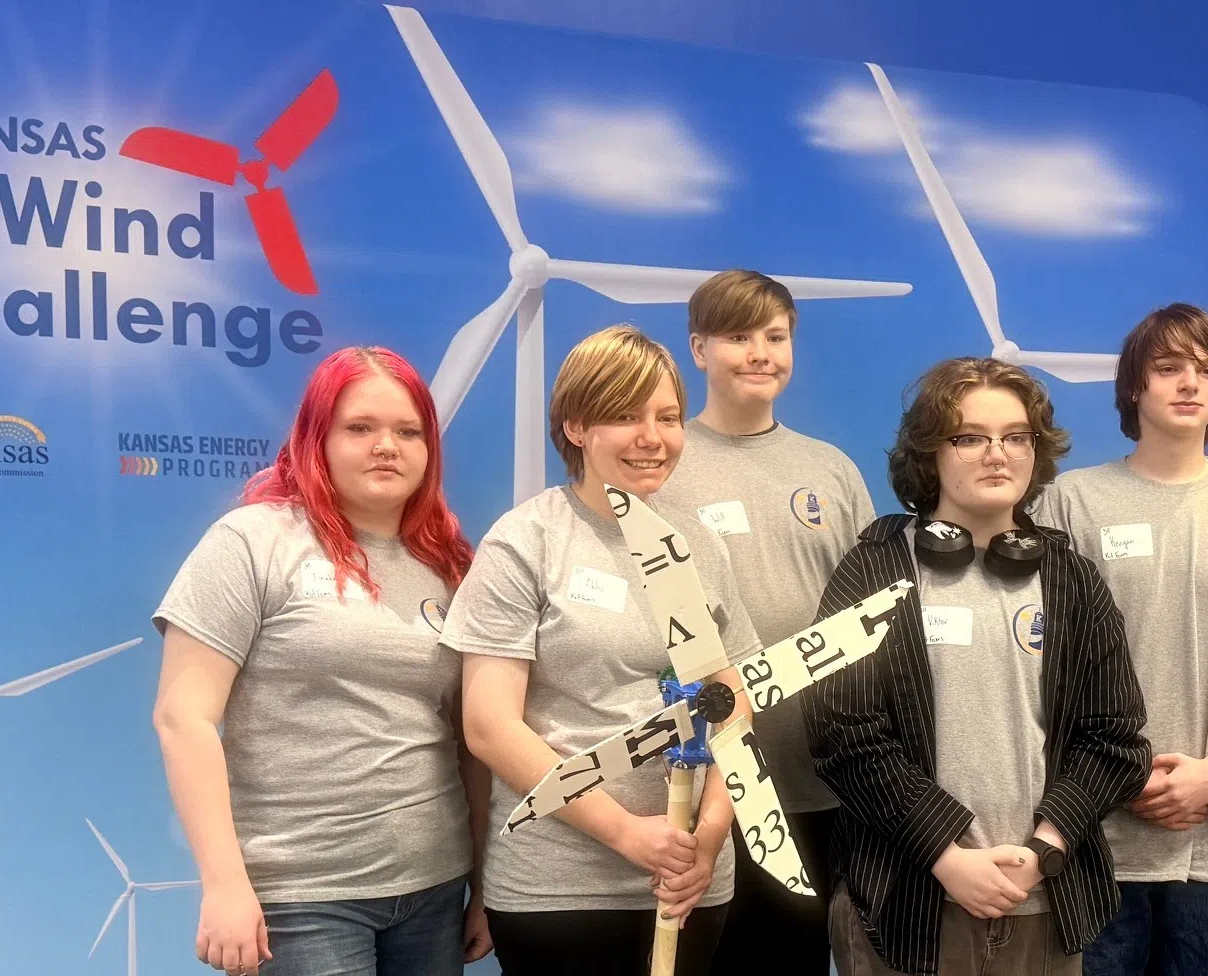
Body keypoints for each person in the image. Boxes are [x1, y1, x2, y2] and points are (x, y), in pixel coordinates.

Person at [803, 356, 1151, 976]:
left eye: (1016, 437)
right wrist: (946, 855)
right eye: (970, 437)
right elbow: (843, 735)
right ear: (929, 453)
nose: (998, 454)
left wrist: (1045, 849)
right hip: (904, 907)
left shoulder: (1073, 579)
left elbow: (1115, 739)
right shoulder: (874, 569)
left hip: (1045, 902)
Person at [150, 346, 492, 976]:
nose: (386, 446)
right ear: (318, 438)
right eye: (360, 427)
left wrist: (483, 882)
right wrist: (224, 885)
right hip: (303, 898)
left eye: (408, 431)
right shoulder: (254, 542)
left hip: (436, 889)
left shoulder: (449, 565)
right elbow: (182, 718)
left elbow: (469, 742)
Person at [445, 324, 762, 976]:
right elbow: (490, 727)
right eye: (625, 416)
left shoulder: (696, 544)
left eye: (667, 417)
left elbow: (733, 705)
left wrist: (706, 838)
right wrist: (627, 834)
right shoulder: (527, 542)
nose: (652, 437)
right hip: (560, 890)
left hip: (688, 886)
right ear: (576, 427)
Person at [1031, 304, 1208, 976]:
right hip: (1093, 832)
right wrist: (1117, 775)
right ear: (1135, 385)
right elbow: (1040, 661)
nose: (1189, 383)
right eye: (1168, 368)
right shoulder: (1071, 501)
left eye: (1207, 370)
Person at [651, 269, 875, 975]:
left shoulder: (831, 470)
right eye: (738, 337)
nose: (759, 354)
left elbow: (867, 617)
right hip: (698, 780)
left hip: (815, 778)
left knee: (794, 959)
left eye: (775, 337)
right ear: (698, 349)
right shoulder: (662, 465)